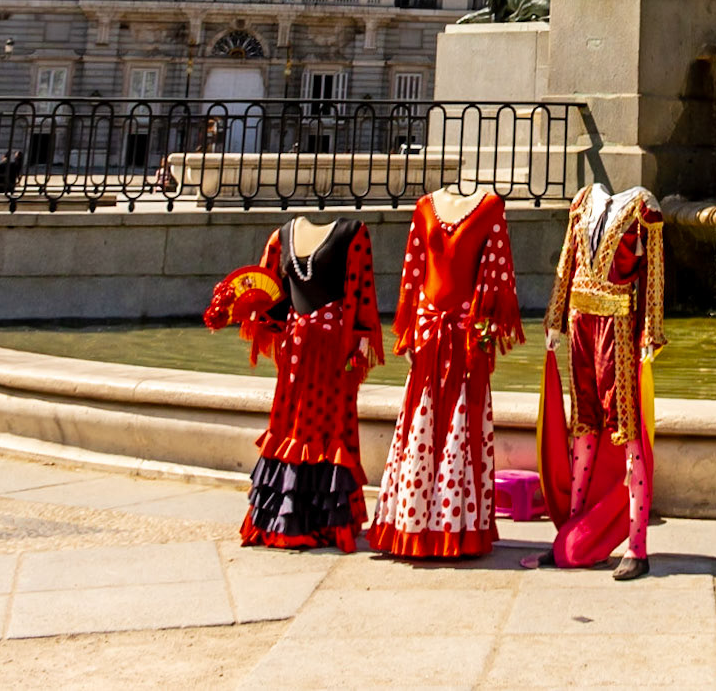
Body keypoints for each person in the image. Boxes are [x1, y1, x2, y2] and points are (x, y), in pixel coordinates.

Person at [369, 186, 523, 559]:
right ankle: (413, 524)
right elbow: (414, 271)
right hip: (429, 333)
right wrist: (409, 330)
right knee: (420, 426)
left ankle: (457, 528)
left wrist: (486, 327)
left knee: (460, 427)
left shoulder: (490, 208)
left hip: (467, 334)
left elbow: (498, 273)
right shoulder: (423, 208)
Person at [212, 216, 384, 552]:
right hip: (295, 349)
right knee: (290, 424)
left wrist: (359, 346)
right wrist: (236, 308)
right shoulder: (281, 236)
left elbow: (361, 293)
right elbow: (269, 297)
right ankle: (284, 519)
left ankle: (321, 522)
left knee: (329, 426)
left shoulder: (354, 233)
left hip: (332, 349)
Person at [536, 183, 666, 581]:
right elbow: (567, 262)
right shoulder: (581, 202)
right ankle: (572, 535)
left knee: (627, 430)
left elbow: (653, 274)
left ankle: (637, 546)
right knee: (584, 425)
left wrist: (650, 332)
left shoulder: (644, 209)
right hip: (579, 318)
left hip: (618, 323)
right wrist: (555, 318)